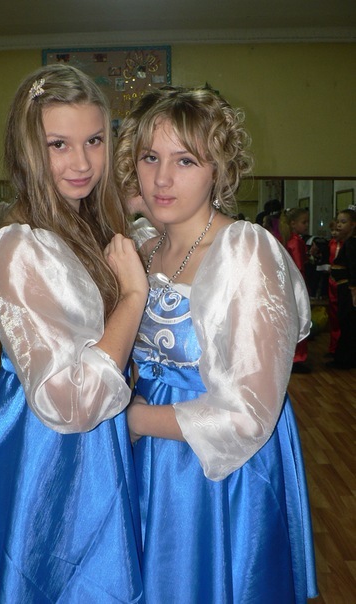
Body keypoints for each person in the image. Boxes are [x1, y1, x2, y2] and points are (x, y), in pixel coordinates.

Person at [0, 64, 148, 602]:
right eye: (59, 144)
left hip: (91, 434)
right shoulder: (18, 248)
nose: (82, 163)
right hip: (55, 448)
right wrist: (132, 296)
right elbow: (69, 403)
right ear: (29, 148)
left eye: (94, 141)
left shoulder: (85, 223)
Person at [115, 86, 318, 603]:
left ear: (218, 169)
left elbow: (251, 413)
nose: (162, 178)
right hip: (147, 457)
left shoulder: (246, 252)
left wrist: (134, 420)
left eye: (185, 160)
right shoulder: (144, 244)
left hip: (219, 469)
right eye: (150, 157)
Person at [279, 207, 312, 373]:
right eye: (304, 222)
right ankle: (298, 357)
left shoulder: (288, 240)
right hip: (297, 286)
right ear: (293, 223)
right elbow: (299, 267)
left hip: (288, 285)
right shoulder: (296, 242)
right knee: (300, 319)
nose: (306, 225)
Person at [327, 207, 356, 369]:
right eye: (338, 221)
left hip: (347, 289)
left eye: (343, 222)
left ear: (353, 224)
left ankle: (345, 359)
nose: (339, 225)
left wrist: (353, 289)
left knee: (347, 323)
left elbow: (353, 268)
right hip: (343, 288)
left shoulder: (351, 243)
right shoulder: (348, 242)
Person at [327, 219, 341, 355]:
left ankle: (339, 347)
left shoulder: (346, 245)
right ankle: (333, 347)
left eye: (337, 230)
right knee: (333, 315)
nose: (334, 233)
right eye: (332, 230)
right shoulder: (331, 243)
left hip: (341, 282)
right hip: (332, 281)